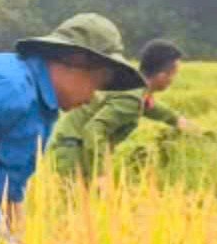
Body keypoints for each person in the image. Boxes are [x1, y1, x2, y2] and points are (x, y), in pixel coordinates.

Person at [0, 13, 145, 204]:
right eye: (95, 84)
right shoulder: (10, 87)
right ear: (75, 59)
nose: (91, 98)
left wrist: (14, 233)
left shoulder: (44, 110)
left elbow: (9, 194)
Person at [48, 37, 193, 177]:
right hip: (75, 151)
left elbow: (148, 106)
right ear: (162, 76)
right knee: (79, 200)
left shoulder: (133, 85)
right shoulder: (133, 98)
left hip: (76, 146)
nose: (173, 79)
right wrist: (100, 174)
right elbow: (93, 130)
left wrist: (176, 119)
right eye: (173, 74)